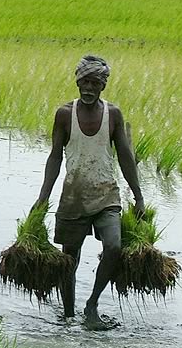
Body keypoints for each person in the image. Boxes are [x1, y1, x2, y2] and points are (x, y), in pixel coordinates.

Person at [33, 55, 144, 329]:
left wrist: (139, 196)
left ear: (103, 86)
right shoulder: (64, 114)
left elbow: (126, 157)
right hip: (74, 196)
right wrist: (43, 197)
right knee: (69, 260)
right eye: (84, 82)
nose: (88, 88)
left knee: (114, 246)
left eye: (95, 83)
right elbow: (55, 157)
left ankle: (91, 305)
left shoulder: (113, 115)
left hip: (107, 194)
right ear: (77, 82)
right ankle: (68, 315)